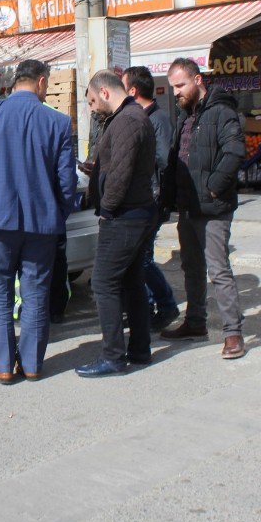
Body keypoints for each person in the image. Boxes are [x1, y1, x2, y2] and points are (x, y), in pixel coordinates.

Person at [0, 60, 78, 384]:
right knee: (36, 293)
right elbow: (67, 183)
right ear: (40, 82)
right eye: (47, 84)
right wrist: (59, 213)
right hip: (42, 223)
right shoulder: (59, 122)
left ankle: (4, 366)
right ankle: (33, 364)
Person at [160, 58, 247, 360]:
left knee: (218, 270)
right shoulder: (186, 118)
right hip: (188, 206)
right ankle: (195, 323)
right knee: (192, 268)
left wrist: (213, 186)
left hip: (213, 208)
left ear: (198, 80)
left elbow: (235, 152)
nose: (176, 92)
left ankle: (233, 333)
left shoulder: (222, 112)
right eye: (172, 87)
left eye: (180, 85)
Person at [75, 70, 157, 377]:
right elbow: (120, 166)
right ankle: (139, 350)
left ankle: (113, 356)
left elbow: (121, 175)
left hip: (124, 216)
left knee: (104, 283)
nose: (93, 108)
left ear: (106, 93)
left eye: (94, 101)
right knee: (131, 282)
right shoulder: (131, 117)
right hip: (135, 212)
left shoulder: (126, 120)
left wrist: (106, 209)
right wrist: (97, 170)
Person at [122, 66, 180, 330]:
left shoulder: (157, 120)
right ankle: (145, 306)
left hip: (153, 198)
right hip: (144, 196)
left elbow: (165, 160)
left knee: (142, 258)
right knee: (139, 257)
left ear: (132, 91)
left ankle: (165, 305)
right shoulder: (139, 117)